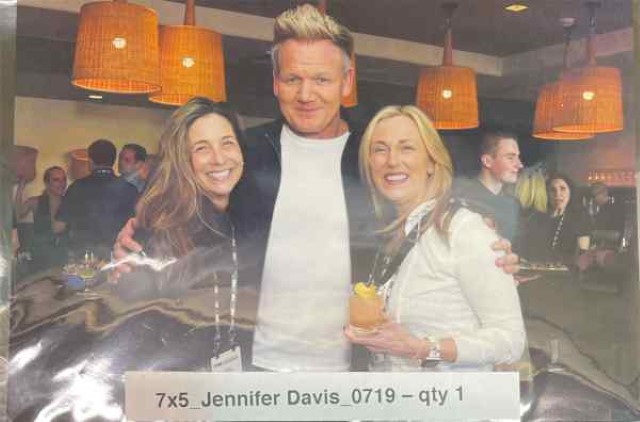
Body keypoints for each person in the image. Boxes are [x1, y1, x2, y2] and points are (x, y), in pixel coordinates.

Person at [113, 4, 519, 372]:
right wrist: (137, 240)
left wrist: (487, 252)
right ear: (276, 82)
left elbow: (431, 205)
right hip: (253, 367)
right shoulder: (246, 153)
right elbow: (187, 207)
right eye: (293, 79)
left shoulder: (374, 156)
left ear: (347, 81)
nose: (306, 95)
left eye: (322, 79)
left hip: (356, 369)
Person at [344, 105, 526, 371]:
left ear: (431, 162)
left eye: (407, 148)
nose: (392, 161)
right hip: (390, 394)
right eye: (380, 149)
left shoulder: (464, 229)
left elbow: (510, 341)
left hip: (447, 397)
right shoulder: (388, 234)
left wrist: (421, 349)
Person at [116, 97, 252, 370]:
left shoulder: (255, 219)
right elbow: (134, 322)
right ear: (183, 160)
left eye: (227, 143)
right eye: (202, 148)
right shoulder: (158, 227)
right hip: (180, 380)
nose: (219, 158)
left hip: (247, 379)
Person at [55, 139, 138, 259]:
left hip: (83, 257)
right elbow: (137, 226)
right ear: (113, 161)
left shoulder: (77, 187)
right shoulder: (130, 190)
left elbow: (59, 226)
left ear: (90, 161)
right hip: (117, 257)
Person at [453, 131, 523, 241]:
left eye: (518, 157)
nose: (519, 165)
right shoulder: (461, 197)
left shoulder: (513, 204)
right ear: (487, 161)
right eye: (510, 158)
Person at [521, 174, 591, 266]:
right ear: (547, 194)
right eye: (552, 190)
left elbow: (583, 254)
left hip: (567, 270)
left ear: (570, 192)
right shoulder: (537, 218)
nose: (557, 194)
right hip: (538, 268)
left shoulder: (580, 217)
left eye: (563, 189)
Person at [14, 166, 68, 270]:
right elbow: (18, 214)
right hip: (41, 256)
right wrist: (21, 186)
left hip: (63, 255)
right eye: (56, 180)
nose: (61, 183)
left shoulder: (68, 202)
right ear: (47, 183)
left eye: (63, 179)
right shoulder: (36, 201)